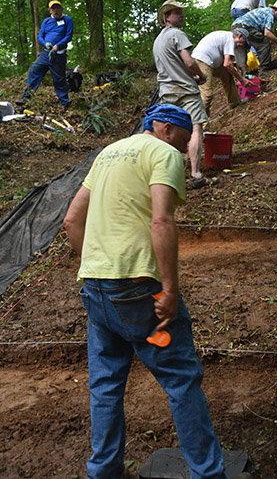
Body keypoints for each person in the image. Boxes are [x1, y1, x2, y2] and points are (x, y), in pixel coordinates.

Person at [63, 104, 230, 479]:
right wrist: (169, 288)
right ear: (166, 129)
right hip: (141, 293)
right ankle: (207, 473)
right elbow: (161, 219)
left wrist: (94, 266)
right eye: (186, 141)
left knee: (105, 385)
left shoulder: (106, 154)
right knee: (181, 380)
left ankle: (103, 471)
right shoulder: (163, 153)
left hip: (96, 288)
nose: (185, 151)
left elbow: (72, 220)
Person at [153, 0, 208, 189]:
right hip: (186, 90)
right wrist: (201, 75)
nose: (181, 15)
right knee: (196, 128)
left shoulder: (158, 40)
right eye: (177, 12)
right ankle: (196, 174)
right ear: (167, 17)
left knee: (169, 133)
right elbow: (189, 63)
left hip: (166, 92)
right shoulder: (178, 34)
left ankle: (166, 175)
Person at [20, 0, 73, 108]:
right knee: (33, 71)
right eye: (53, 8)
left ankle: (64, 102)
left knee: (59, 78)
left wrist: (57, 46)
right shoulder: (46, 21)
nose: (55, 10)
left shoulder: (67, 20)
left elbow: (69, 36)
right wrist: (46, 43)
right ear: (50, 10)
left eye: (57, 8)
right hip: (45, 54)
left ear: (61, 8)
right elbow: (40, 37)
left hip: (59, 55)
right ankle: (26, 97)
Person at [191, 28, 252, 116]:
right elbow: (227, 64)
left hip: (207, 61)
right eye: (243, 42)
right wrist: (242, 79)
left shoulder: (226, 36)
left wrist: (233, 65)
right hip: (202, 61)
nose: (241, 46)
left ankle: (235, 102)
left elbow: (226, 61)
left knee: (226, 74)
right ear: (239, 36)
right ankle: (198, 124)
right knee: (207, 95)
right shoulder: (230, 39)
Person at [231, 0, 277, 76]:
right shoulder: (270, 14)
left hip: (235, 27)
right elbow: (267, 33)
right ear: (276, 11)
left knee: (240, 50)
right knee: (264, 44)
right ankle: (264, 70)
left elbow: (267, 33)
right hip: (245, 27)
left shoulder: (263, 11)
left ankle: (242, 76)